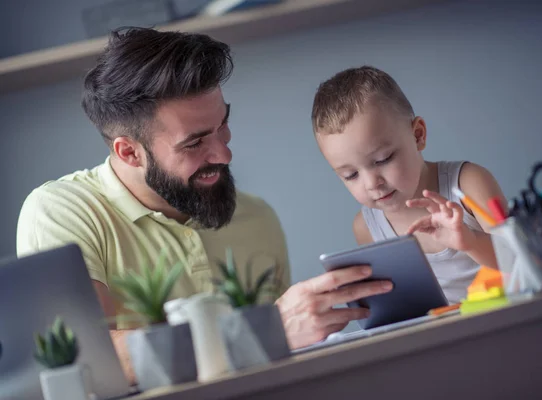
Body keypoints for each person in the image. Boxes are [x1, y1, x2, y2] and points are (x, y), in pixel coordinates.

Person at [16, 28, 391, 384]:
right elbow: (88, 359)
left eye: (223, 125)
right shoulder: (61, 212)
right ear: (129, 152)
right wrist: (268, 329)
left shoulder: (256, 218)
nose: (225, 154)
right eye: (195, 143)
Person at [311, 65, 508, 304]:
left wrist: (471, 241)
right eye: (351, 175)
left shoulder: (468, 183)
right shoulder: (366, 226)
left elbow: (523, 263)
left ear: (418, 135)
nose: (372, 183)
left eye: (383, 159)